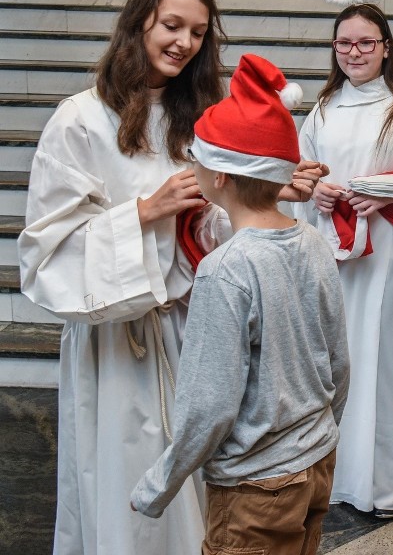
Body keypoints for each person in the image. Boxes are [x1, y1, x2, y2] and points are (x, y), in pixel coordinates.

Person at [16, 0, 323, 555]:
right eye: (172, 25)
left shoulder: (202, 117)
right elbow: (43, 251)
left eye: (199, 32)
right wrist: (141, 212)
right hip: (119, 338)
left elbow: (212, 218)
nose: (184, 42)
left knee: (200, 479)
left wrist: (266, 192)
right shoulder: (79, 119)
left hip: (195, 325)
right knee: (129, 482)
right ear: (139, 24)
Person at [131, 53, 350, 555]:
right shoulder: (314, 244)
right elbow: (339, 362)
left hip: (255, 486)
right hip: (316, 464)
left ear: (221, 178)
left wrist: (159, 484)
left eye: (198, 159)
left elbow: (208, 404)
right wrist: (322, 434)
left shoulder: (225, 270)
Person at [294, 3, 393, 518]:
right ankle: (346, 479)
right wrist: (320, 193)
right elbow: (300, 174)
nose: (354, 52)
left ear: (386, 46)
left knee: (390, 359)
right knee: (343, 361)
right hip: (340, 249)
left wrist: (391, 193)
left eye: (365, 43)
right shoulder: (325, 106)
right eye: (344, 43)